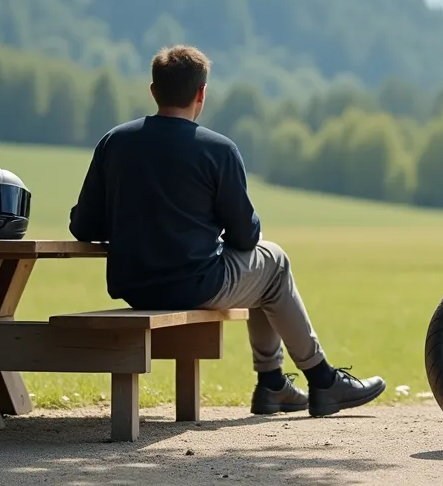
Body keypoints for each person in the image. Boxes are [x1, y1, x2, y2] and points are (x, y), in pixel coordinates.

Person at [68, 45, 386, 416]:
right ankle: (320, 380)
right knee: (273, 261)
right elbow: (246, 238)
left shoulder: (114, 142)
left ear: (153, 91)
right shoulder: (218, 150)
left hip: (134, 286)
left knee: (265, 271)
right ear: (201, 93)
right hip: (195, 284)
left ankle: (274, 387)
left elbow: (82, 226)